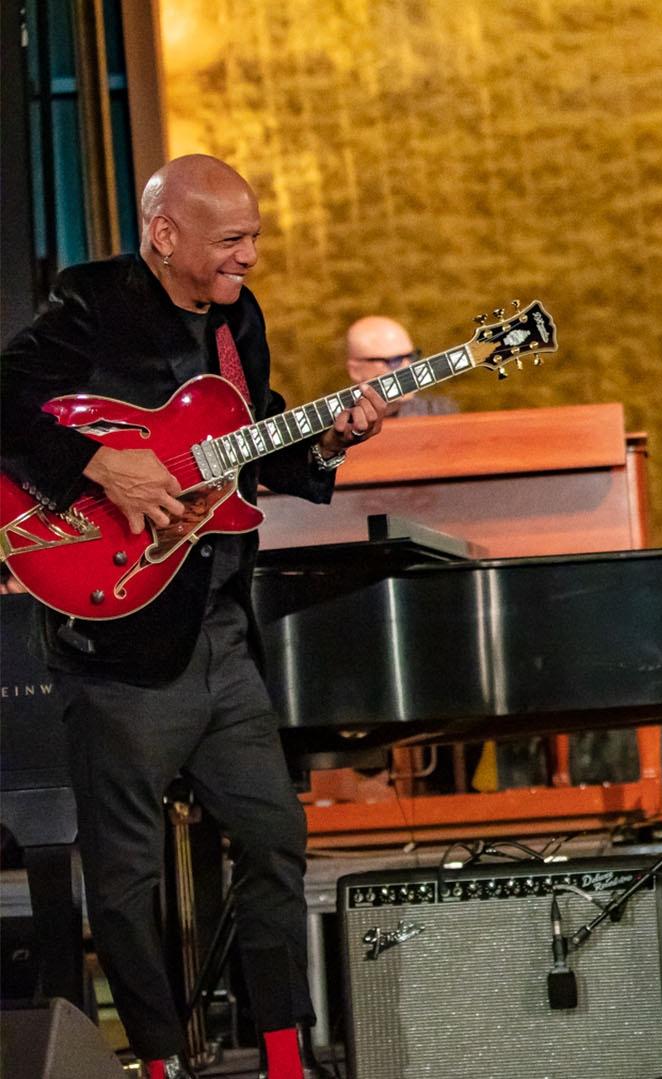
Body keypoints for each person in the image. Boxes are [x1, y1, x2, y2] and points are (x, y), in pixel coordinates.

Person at [0, 155, 392, 1079]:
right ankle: (164, 1062)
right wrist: (100, 468)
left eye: (254, 237)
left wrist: (328, 437)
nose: (250, 256)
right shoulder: (93, 301)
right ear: (164, 234)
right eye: (232, 240)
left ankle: (287, 1053)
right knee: (129, 880)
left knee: (274, 840)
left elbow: (249, 449)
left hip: (220, 631)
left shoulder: (237, 319)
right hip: (123, 640)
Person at [344, 314, 458, 418]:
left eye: (411, 356)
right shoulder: (335, 423)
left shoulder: (437, 411)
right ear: (355, 371)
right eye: (395, 361)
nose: (409, 368)